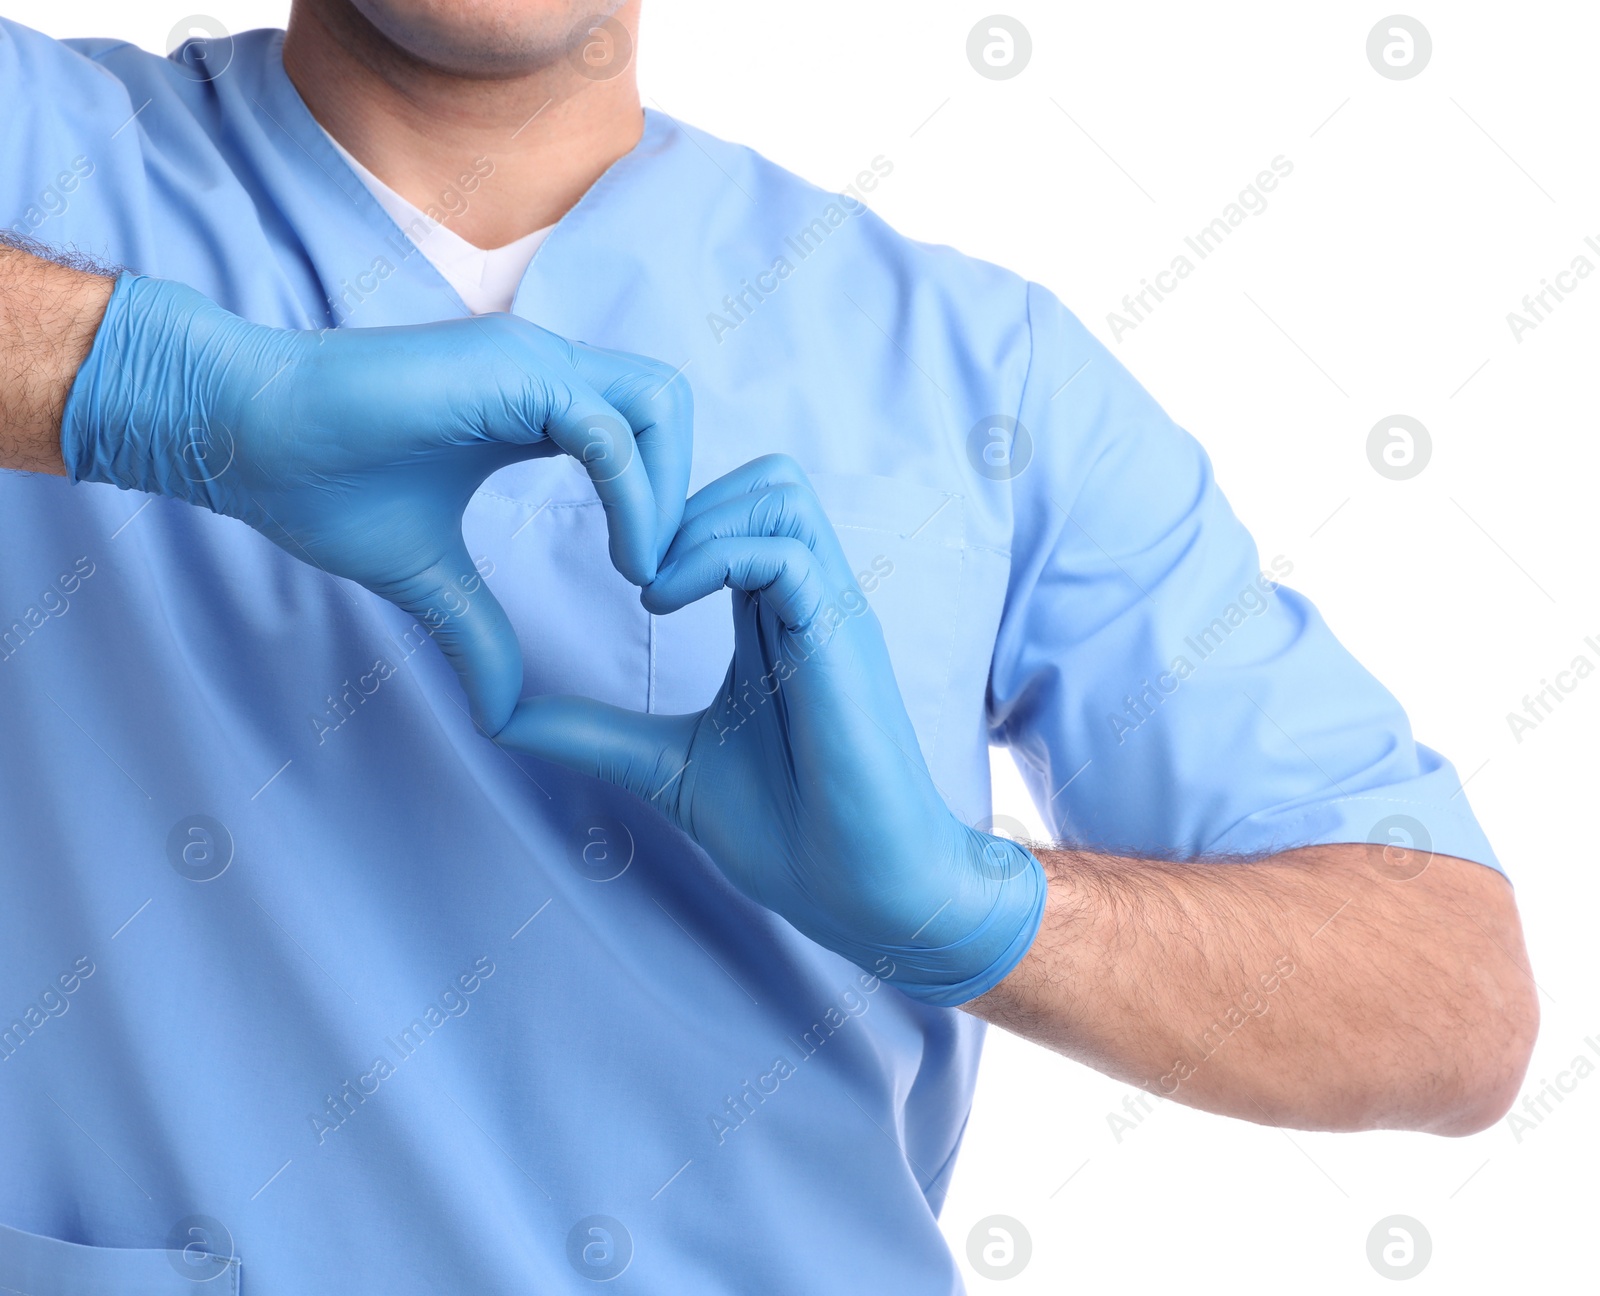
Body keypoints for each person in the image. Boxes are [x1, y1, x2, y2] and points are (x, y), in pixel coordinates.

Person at [0, 2, 1536, 1291]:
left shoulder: (975, 370)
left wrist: (965, 901)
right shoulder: (44, 155)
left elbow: (1453, 996)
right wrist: (154, 385)